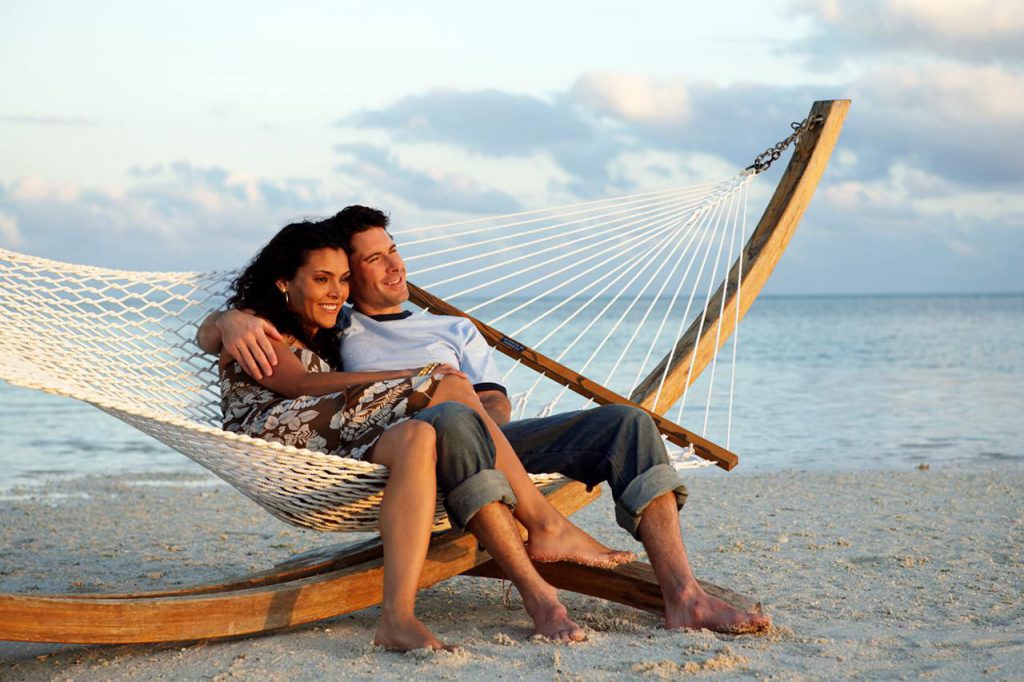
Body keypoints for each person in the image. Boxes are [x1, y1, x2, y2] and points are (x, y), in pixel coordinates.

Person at [201, 206, 771, 635]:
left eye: (392, 251)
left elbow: (494, 406)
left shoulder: (457, 330)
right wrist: (224, 320)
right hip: (404, 441)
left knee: (626, 423)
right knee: (448, 408)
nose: (393, 265)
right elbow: (261, 341)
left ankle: (683, 594)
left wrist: (467, 406)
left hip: (478, 437)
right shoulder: (335, 324)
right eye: (370, 260)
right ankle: (542, 561)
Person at [213, 219, 633, 650]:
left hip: (329, 434)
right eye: (321, 279)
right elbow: (297, 385)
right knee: (448, 386)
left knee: (420, 438)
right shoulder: (256, 327)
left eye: (342, 280)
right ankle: (544, 521)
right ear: (284, 282)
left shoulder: (325, 329)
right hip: (275, 434)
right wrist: (415, 374)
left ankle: (397, 618)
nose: (336, 291)